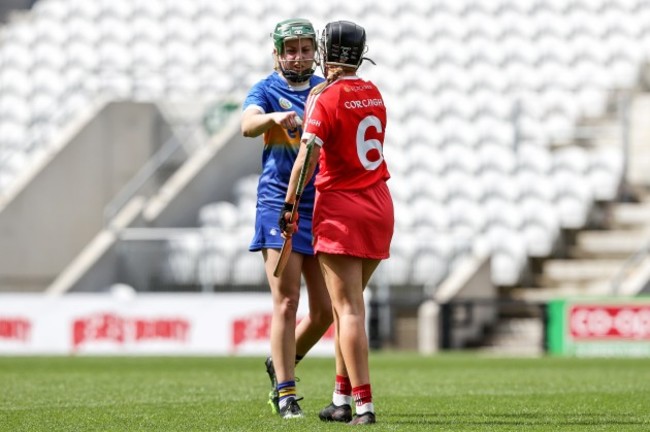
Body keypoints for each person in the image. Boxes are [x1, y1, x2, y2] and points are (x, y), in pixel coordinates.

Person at [279, 20, 393, 426]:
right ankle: (340, 399)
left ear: (327, 52)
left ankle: (364, 405)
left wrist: (290, 203)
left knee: (347, 312)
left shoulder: (323, 96)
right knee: (352, 309)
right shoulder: (374, 93)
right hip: (379, 204)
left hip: (342, 209)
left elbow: (308, 153)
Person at [240, 18, 332, 419]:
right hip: (280, 203)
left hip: (322, 205)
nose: (299, 56)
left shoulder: (323, 90)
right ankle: (285, 391)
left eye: (306, 49)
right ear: (277, 54)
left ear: (316, 51)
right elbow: (247, 125)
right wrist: (272, 120)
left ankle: (282, 360)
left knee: (326, 311)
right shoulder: (265, 89)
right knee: (287, 302)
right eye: (290, 49)